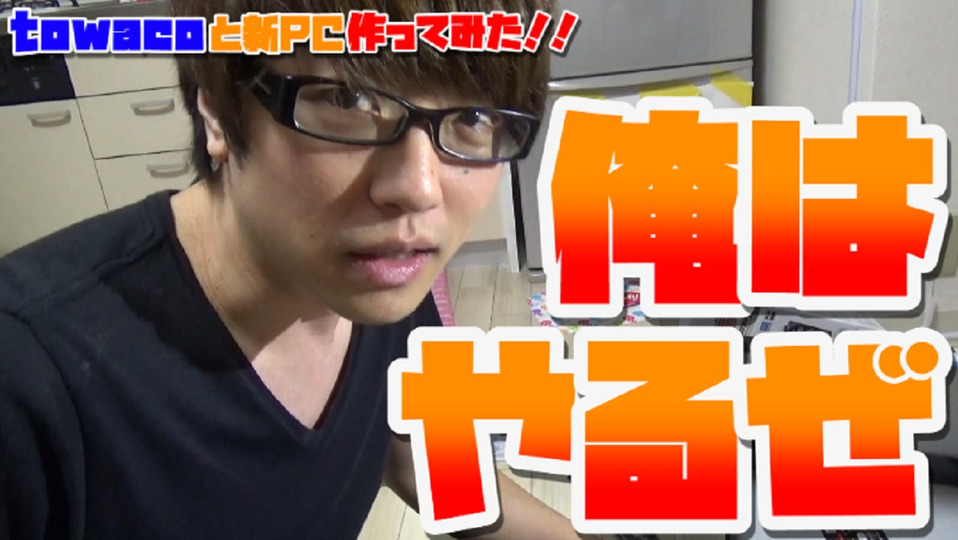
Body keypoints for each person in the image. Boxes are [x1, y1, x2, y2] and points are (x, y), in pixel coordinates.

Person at [0, 1, 586, 538]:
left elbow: (425, 460)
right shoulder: (28, 385)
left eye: (475, 117)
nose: (418, 188)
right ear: (216, 110)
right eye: (348, 100)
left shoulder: (383, 278)